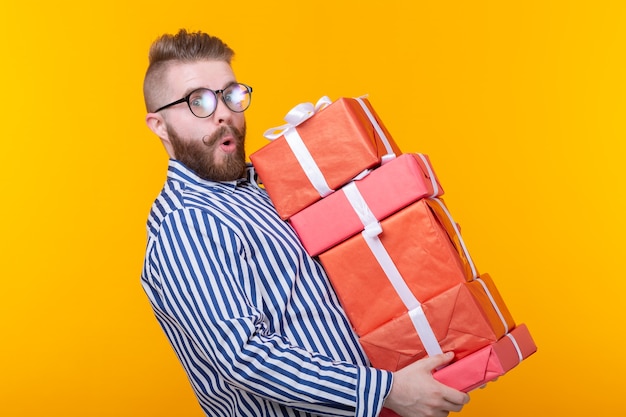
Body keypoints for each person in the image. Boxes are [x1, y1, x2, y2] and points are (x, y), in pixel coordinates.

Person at [141, 29, 470, 417]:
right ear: (159, 125)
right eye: (199, 101)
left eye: (231, 95)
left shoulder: (270, 191)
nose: (224, 113)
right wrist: (388, 390)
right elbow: (244, 358)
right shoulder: (187, 223)